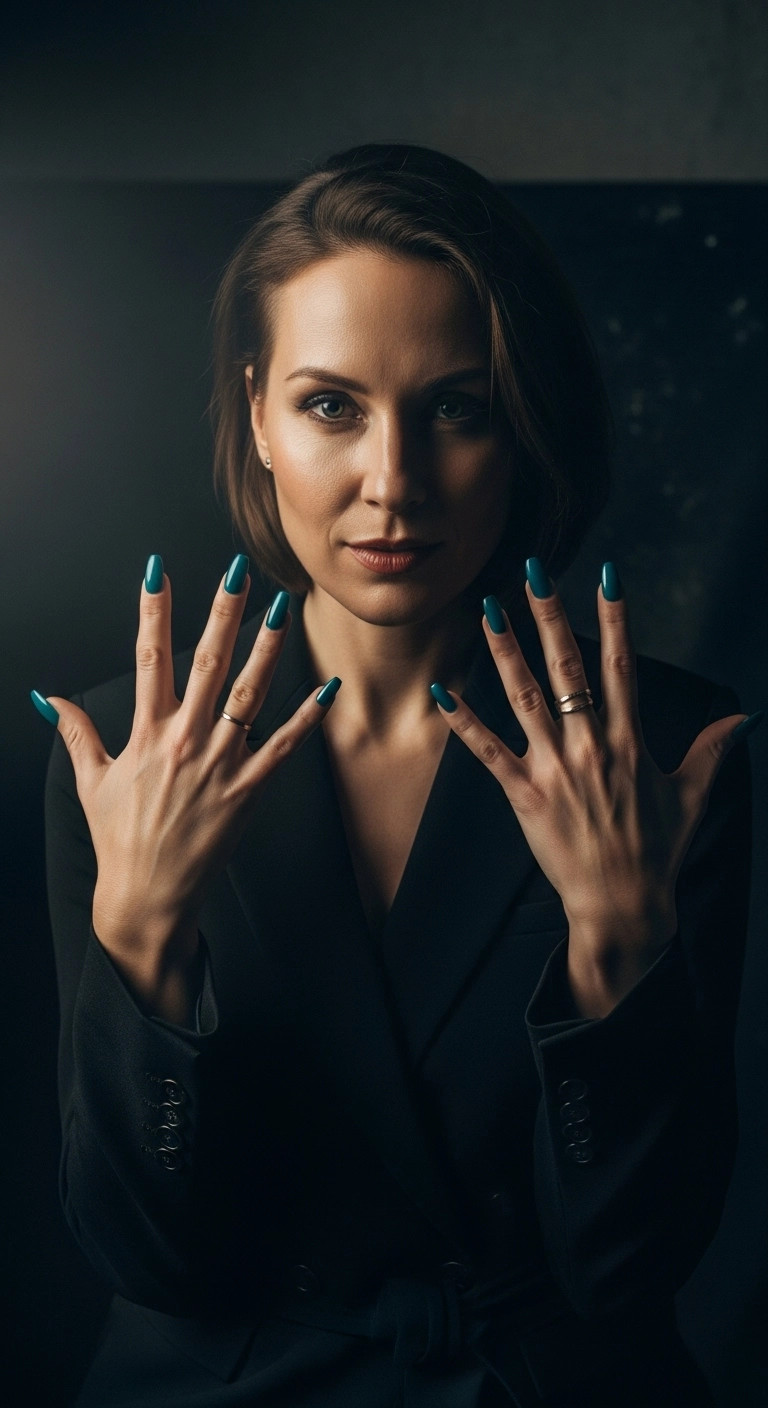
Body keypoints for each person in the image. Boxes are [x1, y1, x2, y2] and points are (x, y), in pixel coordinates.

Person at [35, 144, 761, 1407]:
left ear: (523, 421)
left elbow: (635, 1260)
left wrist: (619, 951)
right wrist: (140, 939)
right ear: (257, 411)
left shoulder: (656, 756)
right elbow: (142, 1251)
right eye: (331, 406)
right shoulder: (122, 756)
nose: (392, 484)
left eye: (458, 408)